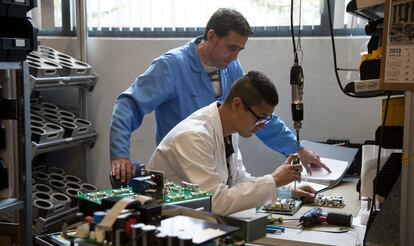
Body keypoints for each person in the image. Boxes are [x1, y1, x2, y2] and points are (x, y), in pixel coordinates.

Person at [110, 8, 330, 184]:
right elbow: (128, 105)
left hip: (219, 168)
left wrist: (297, 149)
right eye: (231, 48)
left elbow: (257, 115)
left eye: (239, 51)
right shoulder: (171, 66)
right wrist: (120, 155)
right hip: (182, 173)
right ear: (211, 36)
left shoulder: (232, 69)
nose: (234, 56)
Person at [147, 71, 316, 215]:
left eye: (267, 119)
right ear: (237, 104)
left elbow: (237, 180)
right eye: (260, 118)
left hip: (196, 222)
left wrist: (283, 192)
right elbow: (215, 203)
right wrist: (274, 180)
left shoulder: (229, 130)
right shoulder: (192, 137)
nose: (263, 125)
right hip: (168, 229)